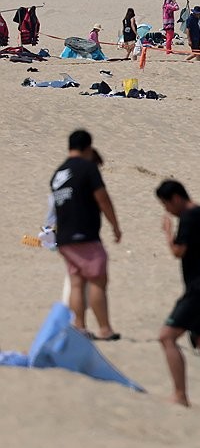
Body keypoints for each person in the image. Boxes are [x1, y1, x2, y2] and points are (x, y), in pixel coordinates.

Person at [155, 180, 200, 417]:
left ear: (175, 198)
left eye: (166, 204)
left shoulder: (188, 216)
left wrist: (168, 233)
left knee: (166, 337)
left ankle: (180, 395)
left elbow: (178, 251)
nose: (167, 210)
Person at [51, 130, 121, 341]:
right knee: (98, 280)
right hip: (84, 234)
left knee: (77, 282)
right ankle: (105, 329)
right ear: (88, 148)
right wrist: (115, 226)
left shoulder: (58, 173)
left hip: (63, 237)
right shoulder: (88, 168)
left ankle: (79, 326)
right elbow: (103, 198)